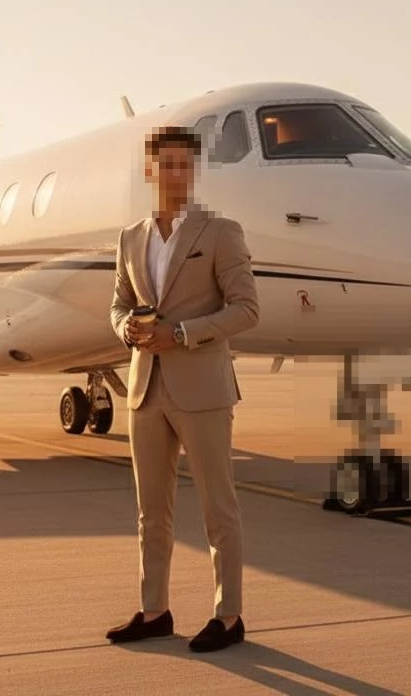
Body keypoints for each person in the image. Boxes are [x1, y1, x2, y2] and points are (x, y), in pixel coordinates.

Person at [105, 125, 260, 653]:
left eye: (183, 164)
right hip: (145, 388)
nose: (174, 173)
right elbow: (118, 303)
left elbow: (246, 309)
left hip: (203, 388)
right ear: (150, 170)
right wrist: (126, 328)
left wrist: (183, 333)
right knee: (151, 511)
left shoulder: (220, 232)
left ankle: (228, 615)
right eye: (164, 164)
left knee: (219, 508)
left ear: (193, 170)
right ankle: (154, 610)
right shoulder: (130, 238)